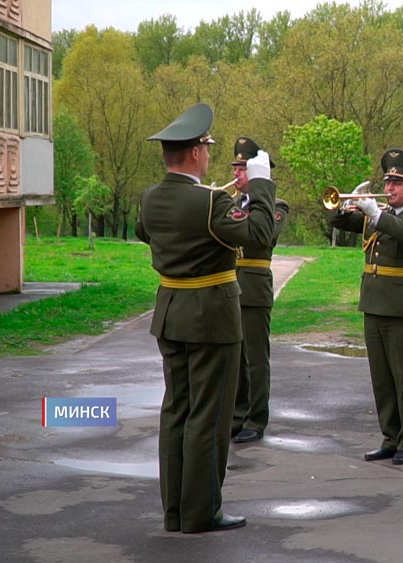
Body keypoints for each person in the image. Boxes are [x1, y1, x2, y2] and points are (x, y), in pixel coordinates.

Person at [135, 103, 276, 533]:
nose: (210, 155)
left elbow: (146, 232)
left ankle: (175, 511)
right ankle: (202, 512)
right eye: (207, 148)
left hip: (171, 312)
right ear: (195, 153)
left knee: (176, 410)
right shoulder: (211, 202)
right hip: (211, 317)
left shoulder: (150, 198)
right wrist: (263, 186)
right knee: (208, 417)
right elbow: (259, 235)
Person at [328, 148, 403, 465]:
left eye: (398, 183)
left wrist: (377, 216)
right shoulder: (376, 216)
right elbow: (336, 218)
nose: (389, 188)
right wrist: (350, 202)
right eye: (388, 182)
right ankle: (390, 437)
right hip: (373, 303)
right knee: (382, 380)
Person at [229, 137, 291, 444]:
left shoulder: (275, 207)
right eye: (236, 168)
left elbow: (261, 238)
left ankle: (256, 418)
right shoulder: (230, 202)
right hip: (230, 286)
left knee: (255, 358)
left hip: (253, 286)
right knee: (235, 359)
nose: (237, 175)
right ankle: (238, 415)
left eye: (243, 169)